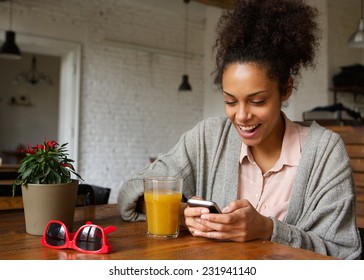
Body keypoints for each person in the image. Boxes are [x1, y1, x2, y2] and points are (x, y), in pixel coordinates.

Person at [117, 0, 362, 259]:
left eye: (258, 101)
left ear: (286, 89)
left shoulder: (324, 152)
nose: (242, 116)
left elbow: (343, 253)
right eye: (230, 101)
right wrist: (179, 212)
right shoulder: (208, 137)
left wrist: (268, 229)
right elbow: (131, 191)